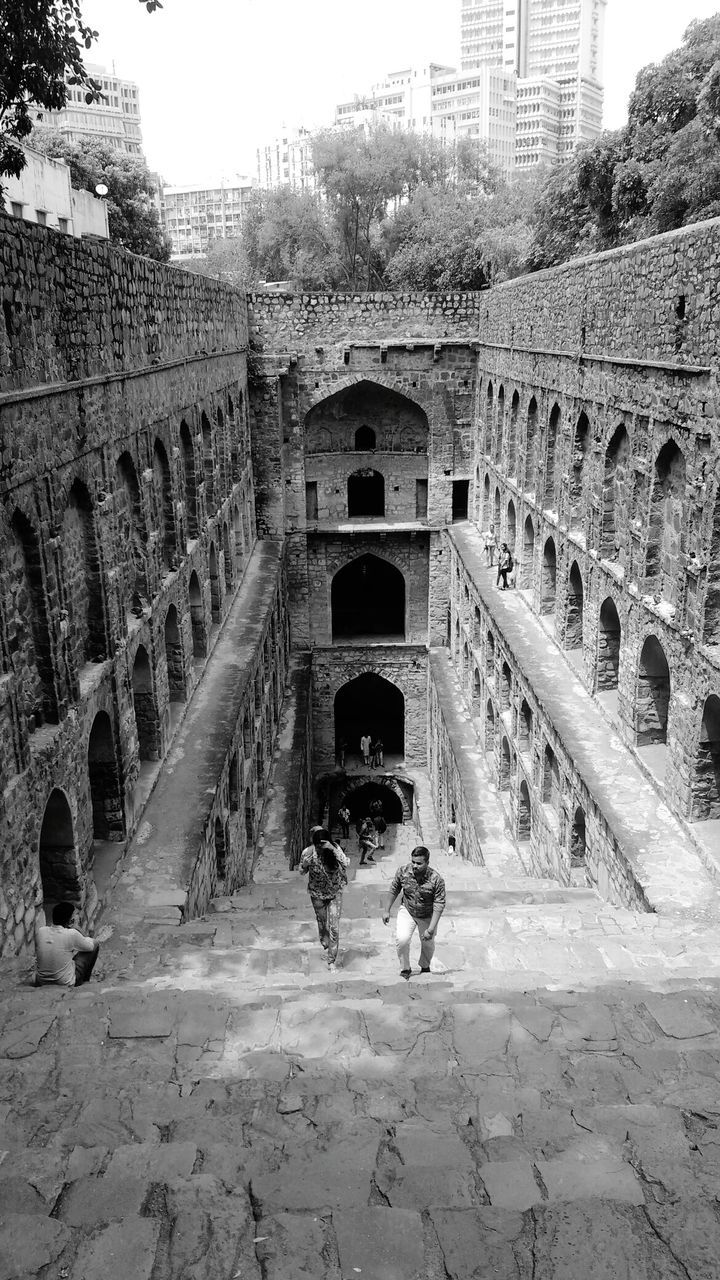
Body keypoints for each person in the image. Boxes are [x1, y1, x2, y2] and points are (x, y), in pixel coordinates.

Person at [382, 846, 446, 979]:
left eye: (419, 863)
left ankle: (425, 965)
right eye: (413, 862)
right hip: (408, 910)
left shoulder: (436, 880)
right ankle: (405, 968)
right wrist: (386, 910)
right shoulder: (403, 871)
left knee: (428, 943)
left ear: (427, 863)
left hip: (427, 914)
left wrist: (431, 928)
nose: (415, 866)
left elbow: (439, 904)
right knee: (402, 939)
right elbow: (394, 889)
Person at [299, 827, 349, 971]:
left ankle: (331, 959)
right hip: (317, 894)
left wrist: (332, 849)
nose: (320, 847)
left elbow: (345, 863)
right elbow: (301, 872)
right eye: (318, 844)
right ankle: (324, 940)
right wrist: (305, 865)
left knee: (334, 927)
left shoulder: (334, 849)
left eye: (323, 843)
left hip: (335, 893)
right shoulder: (308, 853)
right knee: (322, 922)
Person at [35, 903, 100, 987]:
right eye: (76, 914)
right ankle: (85, 981)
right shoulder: (72, 934)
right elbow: (91, 946)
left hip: (41, 981)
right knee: (94, 945)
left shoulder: (41, 931)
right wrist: (77, 928)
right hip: (65, 982)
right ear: (71, 921)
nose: (78, 916)